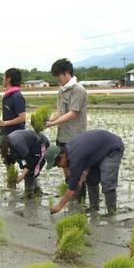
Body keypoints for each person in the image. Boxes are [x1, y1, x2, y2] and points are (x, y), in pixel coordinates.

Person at [48, 129, 124, 215]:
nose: (59, 167)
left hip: (112, 148)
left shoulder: (74, 158)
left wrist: (59, 206)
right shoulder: (69, 150)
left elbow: (72, 187)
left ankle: (112, 213)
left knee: (107, 181)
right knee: (92, 178)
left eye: (58, 164)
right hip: (99, 149)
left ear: (62, 156)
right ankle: (94, 208)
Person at [45, 58, 89, 203]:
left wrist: (53, 123)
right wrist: (50, 119)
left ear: (66, 73)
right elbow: (60, 111)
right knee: (65, 167)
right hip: (62, 136)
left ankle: (80, 200)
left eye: (58, 76)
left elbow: (72, 113)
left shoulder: (78, 90)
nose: (57, 79)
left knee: (77, 171)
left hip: (76, 138)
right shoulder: (61, 90)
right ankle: (72, 197)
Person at [0, 129, 49, 198]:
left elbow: (30, 162)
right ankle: (37, 190)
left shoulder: (17, 144)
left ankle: (29, 194)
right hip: (28, 147)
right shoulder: (6, 146)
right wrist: (10, 179)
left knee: (30, 171)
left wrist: (21, 176)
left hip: (40, 144)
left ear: (1, 146)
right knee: (25, 168)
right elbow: (8, 162)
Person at [0, 68, 26, 136]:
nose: (3, 79)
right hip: (7, 134)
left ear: (9, 79)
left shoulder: (17, 96)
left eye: (4, 77)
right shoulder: (7, 96)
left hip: (16, 136)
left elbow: (22, 118)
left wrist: (5, 123)